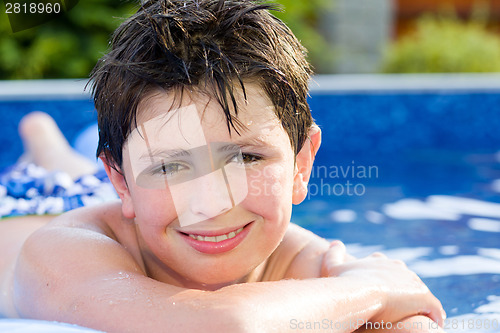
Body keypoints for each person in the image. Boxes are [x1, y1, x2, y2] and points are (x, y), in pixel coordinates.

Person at [0, 1, 446, 332]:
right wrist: (374, 290)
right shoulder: (59, 254)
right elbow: (227, 325)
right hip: (30, 207)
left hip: (143, 204)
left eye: (246, 158)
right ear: (120, 181)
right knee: (56, 171)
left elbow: (413, 323)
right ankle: (42, 138)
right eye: (172, 166)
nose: (212, 204)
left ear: (302, 163)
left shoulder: (312, 261)